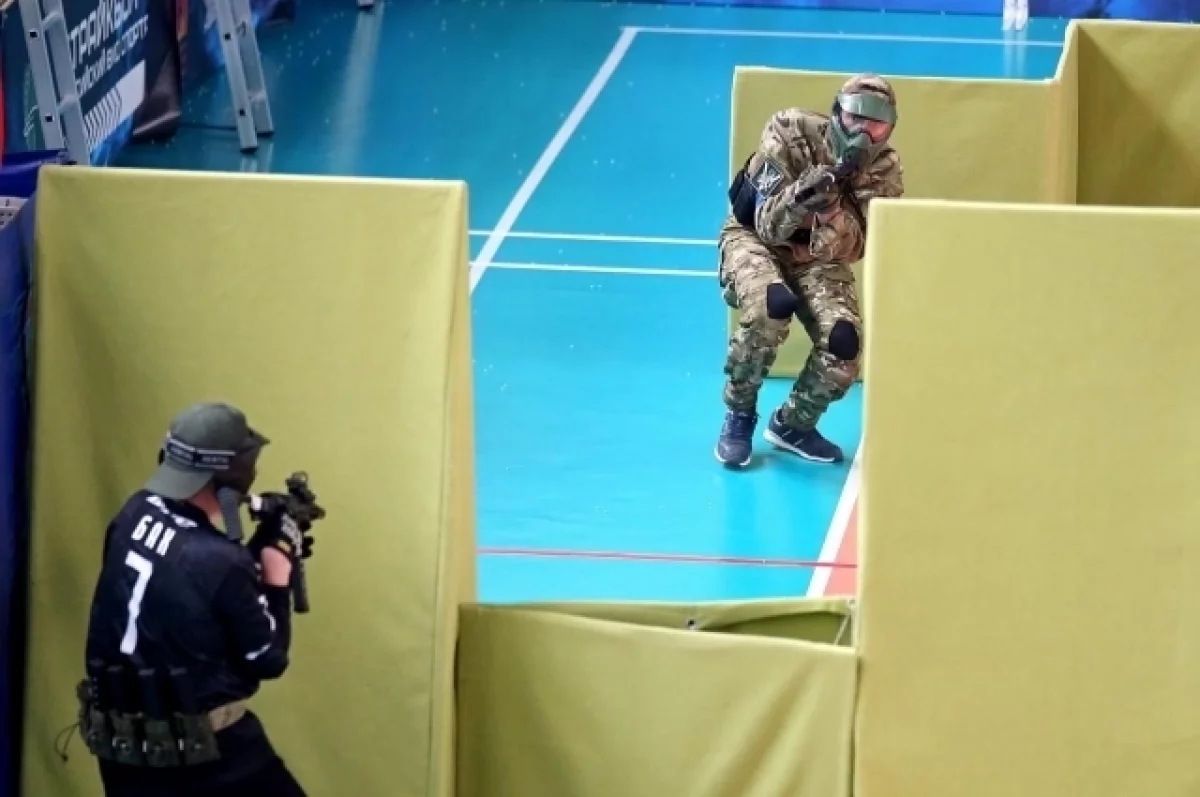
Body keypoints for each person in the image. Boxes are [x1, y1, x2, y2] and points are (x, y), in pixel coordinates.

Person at [77, 401, 311, 796]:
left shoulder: (134, 511)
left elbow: (189, 586)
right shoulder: (222, 560)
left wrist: (249, 555)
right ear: (236, 473)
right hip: (207, 757)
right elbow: (268, 658)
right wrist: (275, 577)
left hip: (123, 749)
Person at [715, 73, 905, 468]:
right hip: (754, 239)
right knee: (770, 308)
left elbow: (859, 246)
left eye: (876, 124)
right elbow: (766, 225)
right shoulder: (790, 131)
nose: (864, 133)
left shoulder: (884, 168)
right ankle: (739, 415)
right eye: (855, 118)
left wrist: (831, 212)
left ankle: (793, 424)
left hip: (816, 257)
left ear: (889, 129)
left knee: (844, 341)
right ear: (837, 113)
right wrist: (801, 196)